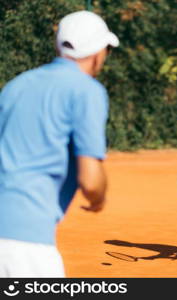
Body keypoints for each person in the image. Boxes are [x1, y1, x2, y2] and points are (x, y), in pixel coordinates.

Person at [0, 11, 119, 277]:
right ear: (98, 53)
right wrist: (99, 197)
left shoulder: (15, 86)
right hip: (26, 244)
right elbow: (90, 180)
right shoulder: (87, 90)